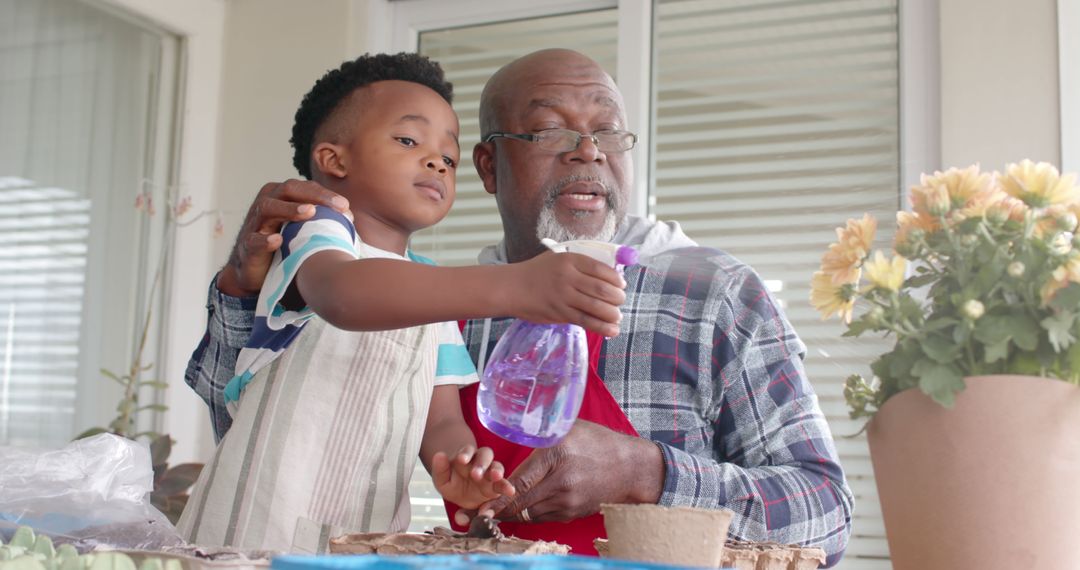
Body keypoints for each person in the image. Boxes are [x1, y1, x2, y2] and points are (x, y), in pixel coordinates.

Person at [186, 49, 854, 566]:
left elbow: (826, 516)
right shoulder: (437, 299)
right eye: (548, 133)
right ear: (486, 166)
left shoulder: (712, 294)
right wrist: (243, 294)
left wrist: (647, 475)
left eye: (608, 134)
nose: (588, 150)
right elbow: (250, 424)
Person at [176, 52, 627, 553]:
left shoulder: (429, 288)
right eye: (409, 141)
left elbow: (441, 419)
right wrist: (517, 285)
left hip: (359, 532)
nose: (436, 161)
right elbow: (345, 295)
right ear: (334, 159)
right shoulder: (315, 232)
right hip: (252, 521)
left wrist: (461, 465)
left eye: (448, 157)